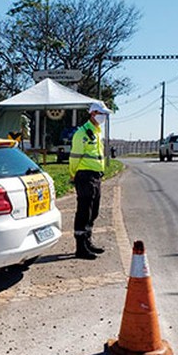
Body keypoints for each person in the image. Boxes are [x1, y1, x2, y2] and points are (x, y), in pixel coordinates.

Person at [69, 102, 112, 260]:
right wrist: (73, 174)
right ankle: (80, 248)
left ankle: (88, 241)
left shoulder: (97, 132)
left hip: (95, 176)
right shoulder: (82, 133)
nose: (104, 117)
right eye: (102, 114)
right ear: (93, 113)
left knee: (93, 211)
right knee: (84, 211)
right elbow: (74, 157)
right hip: (84, 175)